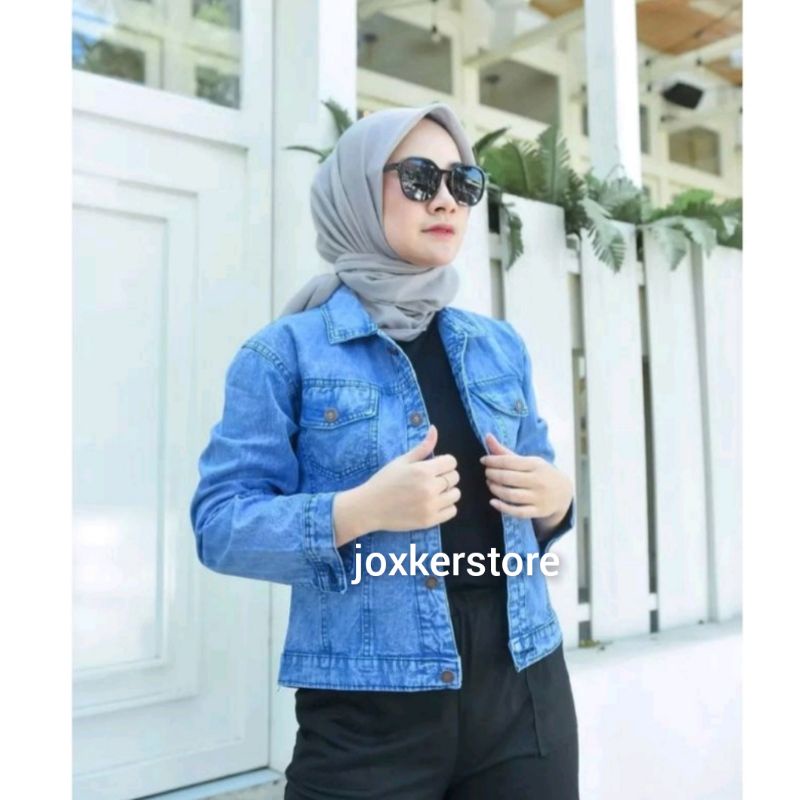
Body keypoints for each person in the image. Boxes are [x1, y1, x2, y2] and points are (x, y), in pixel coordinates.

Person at [190, 101, 579, 799]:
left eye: (463, 182)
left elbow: (540, 490)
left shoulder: (498, 345)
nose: (446, 200)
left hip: (523, 689)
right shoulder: (284, 353)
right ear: (357, 192)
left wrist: (558, 498)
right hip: (366, 712)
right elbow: (220, 525)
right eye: (421, 177)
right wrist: (358, 510)